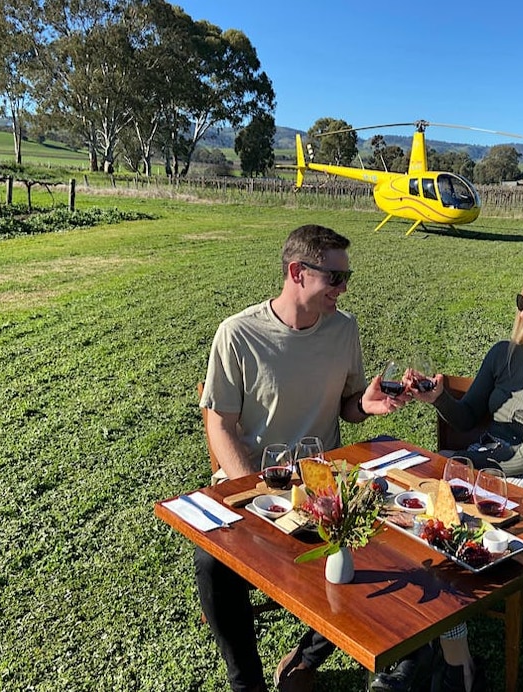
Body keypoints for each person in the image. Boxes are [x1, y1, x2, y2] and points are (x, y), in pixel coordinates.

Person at [196, 224, 407, 692]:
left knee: (374, 544)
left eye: (346, 277)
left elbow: (350, 405)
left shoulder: (344, 328)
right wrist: (256, 494)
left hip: (323, 484)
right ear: (297, 272)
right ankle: (246, 682)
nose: (344, 288)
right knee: (211, 563)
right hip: (253, 483)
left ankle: (307, 658)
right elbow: (220, 425)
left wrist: (365, 405)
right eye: (335, 278)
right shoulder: (238, 334)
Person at [376, 264, 523, 692]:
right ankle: (424, 648)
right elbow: (465, 416)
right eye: (522, 302)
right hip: (473, 465)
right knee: (397, 510)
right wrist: (439, 396)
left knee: (442, 530)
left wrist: (452, 466)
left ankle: (446, 662)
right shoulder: (504, 353)